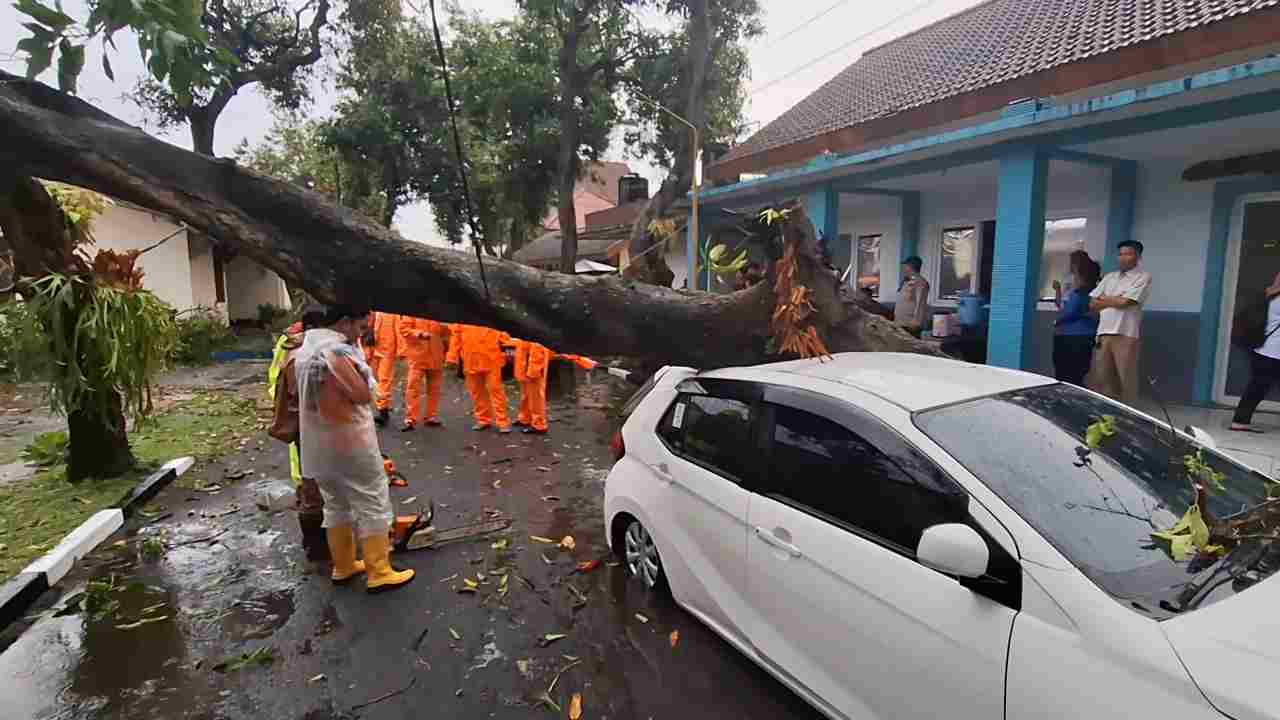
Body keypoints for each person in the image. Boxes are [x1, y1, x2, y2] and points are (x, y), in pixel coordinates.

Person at [295, 304, 415, 593]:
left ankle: (344, 565)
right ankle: (379, 571)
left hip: (319, 443)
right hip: (349, 440)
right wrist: (362, 375)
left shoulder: (305, 350)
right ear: (345, 322)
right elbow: (362, 395)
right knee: (372, 501)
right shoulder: (334, 352)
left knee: (336, 504)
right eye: (361, 327)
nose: (361, 335)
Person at [268, 308, 326, 557]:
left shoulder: (296, 347)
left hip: (301, 423)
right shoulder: (301, 355)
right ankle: (316, 544)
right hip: (306, 425)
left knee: (309, 481)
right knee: (311, 485)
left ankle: (315, 541)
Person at [1089, 240, 1153, 405]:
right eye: (1121, 254)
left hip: (1126, 333)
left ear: (1138, 257)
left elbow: (1126, 302)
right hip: (1104, 333)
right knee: (1103, 378)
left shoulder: (1143, 277)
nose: (1123, 258)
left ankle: (1128, 413)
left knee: (1126, 378)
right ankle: (1107, 414)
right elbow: (1092, 303)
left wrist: (1105, 299)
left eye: (1128, 254)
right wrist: (1116, 299)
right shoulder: (1109, 277)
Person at [1230, 271, 1280, 432]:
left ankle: (1240, 420)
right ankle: (1240, 421)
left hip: (1263, 350)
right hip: (1272, 352)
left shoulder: (1270, 295)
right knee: (1257, 388)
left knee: (1257, 387)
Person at [447, 324, 513, 433]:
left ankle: (503, 422)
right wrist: (452, 357)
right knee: (477, 392)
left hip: (492, 360)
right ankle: (483, 419)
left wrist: (510, 350)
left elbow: (506, 338)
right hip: (470, 360)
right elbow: (455, 338)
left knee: (496, 390)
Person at [1053, 258, 1100, 387]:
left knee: (1065, 374)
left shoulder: (1078, 294)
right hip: (1088, 336)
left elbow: (1069, 312)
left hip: (1070, 338)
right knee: (1079, 374)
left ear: (1081, 276)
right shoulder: (1097, 293)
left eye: (1075, 273)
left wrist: (1057, 321)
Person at [398, 315, 448, 431]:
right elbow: (404, 329)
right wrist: (420, 334)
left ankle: (431, 416)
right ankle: (411, 419)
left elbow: (447, 335)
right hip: (418, 357)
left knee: (434, 389)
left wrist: (445, 328)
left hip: (436, 356)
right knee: (413, 388)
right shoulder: (413, 311)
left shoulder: (440, 313)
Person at [367, 311, 402, 427]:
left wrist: (401, 350)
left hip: (387, 350)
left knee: (384, 380)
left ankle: (383, 410)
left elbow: (398, 330)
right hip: (372, 348)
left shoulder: (392, 313)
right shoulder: (372, 311)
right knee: (370, 378)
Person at [894, 256, 930, 337]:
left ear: (911, 266)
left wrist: (916, 322)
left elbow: (921, 303)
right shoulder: (907, 281)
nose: (904, 268)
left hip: (910, 325)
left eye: (906, 266)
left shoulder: (920, 282)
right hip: (900, 323)